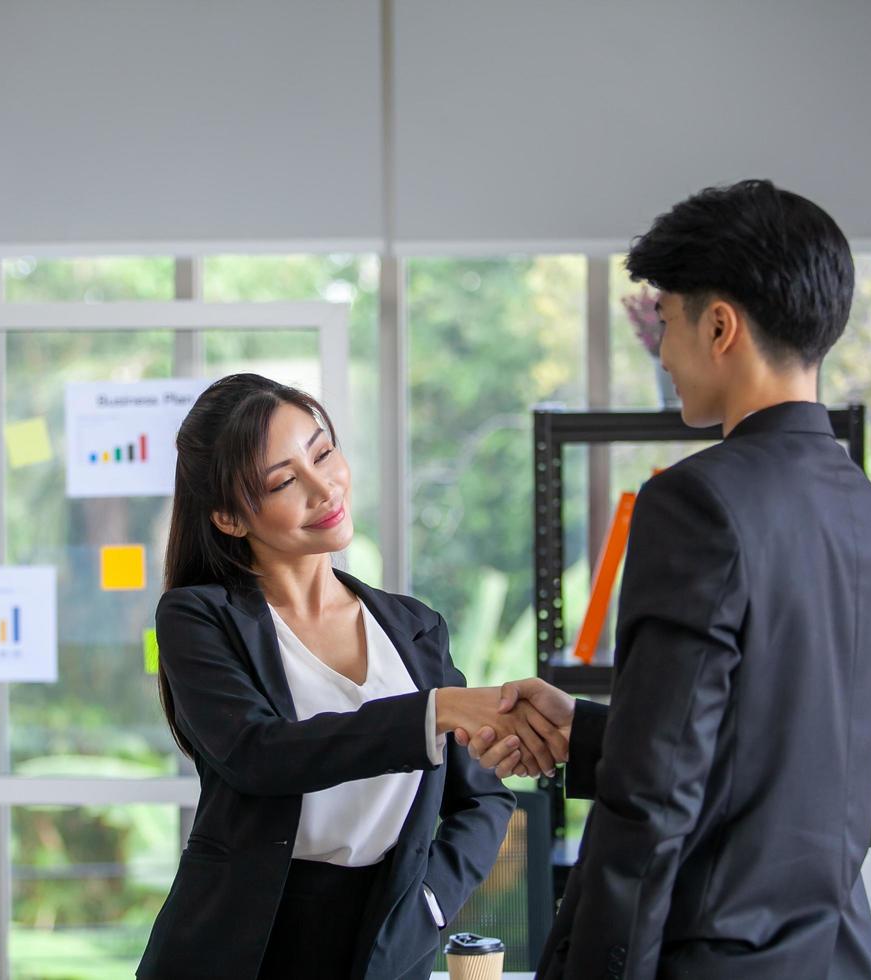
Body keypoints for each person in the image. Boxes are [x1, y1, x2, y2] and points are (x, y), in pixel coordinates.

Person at [460, 180, 871, 979]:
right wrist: (593, 733)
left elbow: (655, 803)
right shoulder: (865, 513)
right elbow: (775, 751)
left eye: (665, 320)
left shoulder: (696, 501)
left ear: (720, 325)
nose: (663, 352)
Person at [138, 374, 568, 980]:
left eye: (321, 453)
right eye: (285, 481)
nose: (324, 488)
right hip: (243, 943)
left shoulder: (414, 629)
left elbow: (485, 797)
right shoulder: (197, 618)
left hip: (386, 937)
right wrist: (434, 711)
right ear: (232, 518)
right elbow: (259, 755)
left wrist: (429, 903)